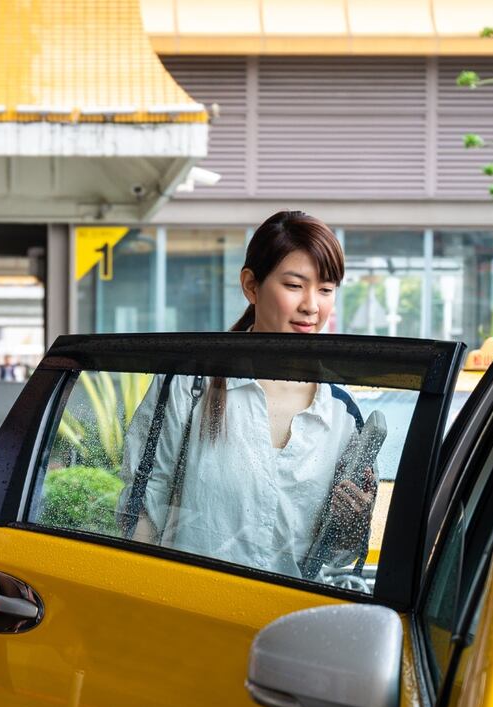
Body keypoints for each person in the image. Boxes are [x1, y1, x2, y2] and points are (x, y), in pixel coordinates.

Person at [117, 210, 377, 581]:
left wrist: (350, 521)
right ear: (251, 286)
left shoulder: (342, 415)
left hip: (291, 626)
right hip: (190, 615)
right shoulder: (188, 386)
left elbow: (333, 561)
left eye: (326, 289)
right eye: (294, 285)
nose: (312, 306)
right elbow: (139, 514)